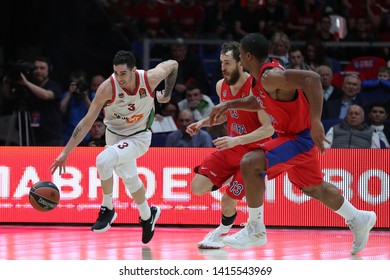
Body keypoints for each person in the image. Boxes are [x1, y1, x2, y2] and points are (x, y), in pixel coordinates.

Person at [208, 33, 376, 255]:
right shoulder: (261, 80)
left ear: (247, 56)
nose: (240, 59)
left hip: (298, 138)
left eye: (240, 56)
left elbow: (313, 79)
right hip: (293, 138)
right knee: (315, 188)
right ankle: (358, 217)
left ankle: (256, 228)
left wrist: (316, 121)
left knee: (250, 162)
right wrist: (230, 104)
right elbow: (257, 101)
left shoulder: (270, 76)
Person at [50, 50, 178, 244]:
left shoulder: (149, 78)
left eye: (123, 74)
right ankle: (147, 215)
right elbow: (86, 122)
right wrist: (65, 152)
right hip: (114, 136)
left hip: (139, 136)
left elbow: (173, 64)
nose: (119, 78)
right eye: (116, 73)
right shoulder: (106, 88)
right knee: (130, 179)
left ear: (134, 70)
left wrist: (166, 94)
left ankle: (107, 208)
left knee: (103, 160)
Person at [186, 41, 274, 249]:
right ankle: (231, 180)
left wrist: (237, 140)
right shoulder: (220, 85)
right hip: (231, 147)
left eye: (227, 63)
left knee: (227, 202)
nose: (223, 67)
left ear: (241, 63)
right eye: (221, 63)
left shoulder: (256, 87)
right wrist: (203, 122)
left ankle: (221, 233)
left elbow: (269, 129)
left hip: (253, 153)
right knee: (197, 187)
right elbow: (226, 115)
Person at [2, 56, 63, 146]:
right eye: (36, 68)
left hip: (50, 137)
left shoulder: (54, 85)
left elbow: (46, 95)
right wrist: (7, 80)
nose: (38, 71)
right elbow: (8, 95)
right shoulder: (27, 86)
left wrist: (26, 83)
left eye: (42, 68)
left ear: (49, 70)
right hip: (30, 135)